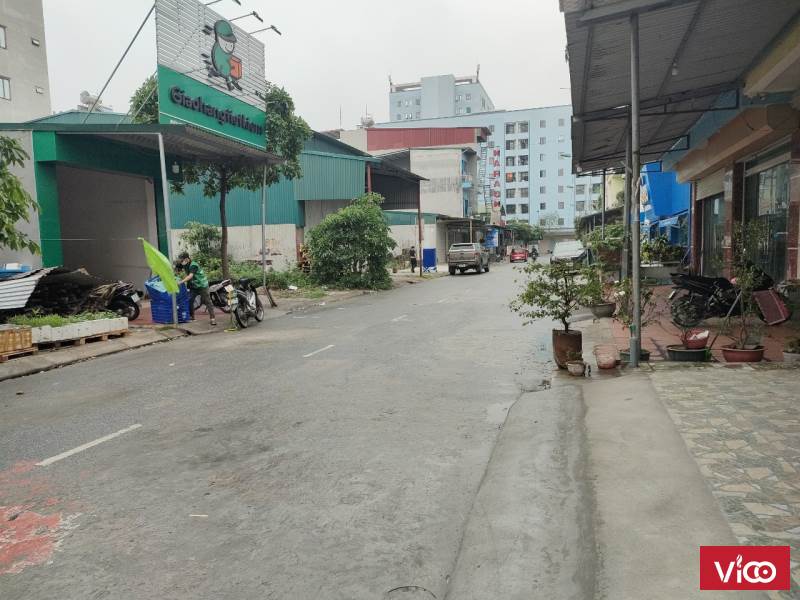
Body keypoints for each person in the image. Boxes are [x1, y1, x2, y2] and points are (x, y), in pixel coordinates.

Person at [178, 251, 216, 326]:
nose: (181, 261)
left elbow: (190, 276)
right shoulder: (184, 264)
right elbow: (177, 269)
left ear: (187, 259)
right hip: (194, 286)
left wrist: (181, 282)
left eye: (182, 260)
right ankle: (192, 317)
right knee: (190, 300)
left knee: (207, 301)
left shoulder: (193, 265)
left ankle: (212, 319)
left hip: (202, 285)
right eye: (181, 260)